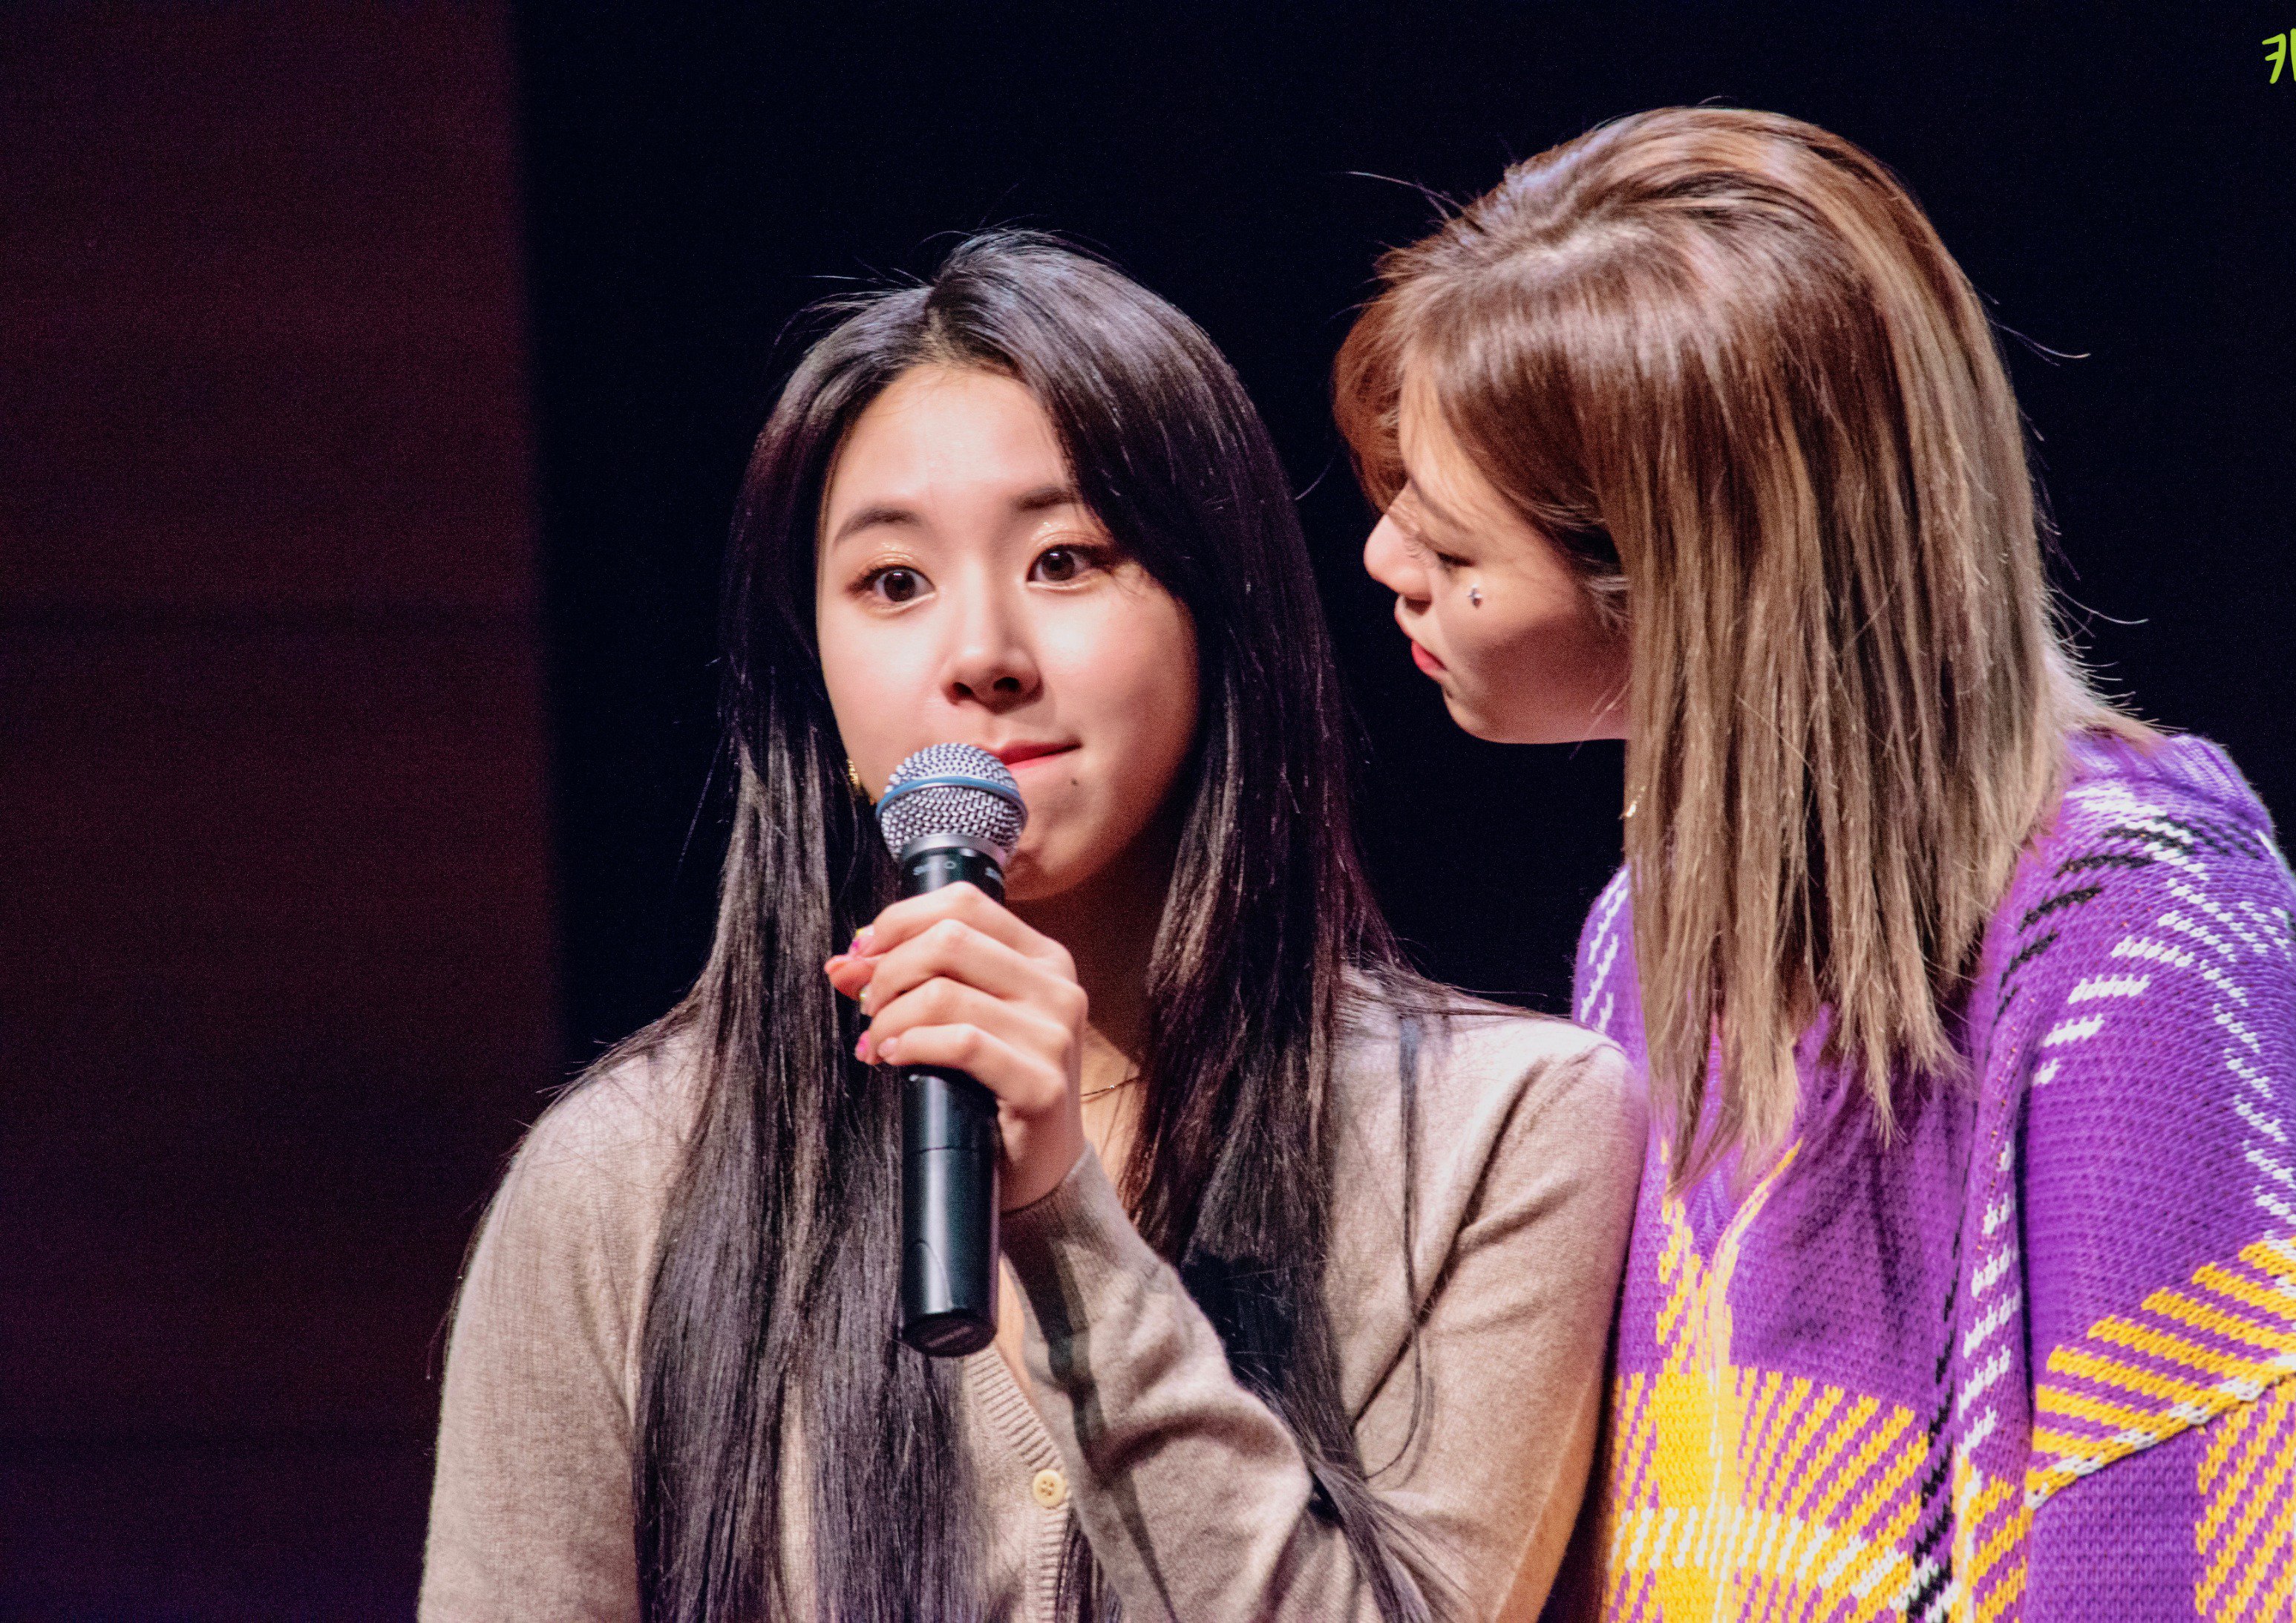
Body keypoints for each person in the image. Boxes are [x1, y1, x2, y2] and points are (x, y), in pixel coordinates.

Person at [421, 232, 1642, 1623]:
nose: (983, 654)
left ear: (1219, 612)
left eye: (1066, 559)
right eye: (894, 583)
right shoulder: (628, 1174)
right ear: (810, 669)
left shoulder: (1502, 1128)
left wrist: (1065, 1223)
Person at [1334, 108, 2296, 1618]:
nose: (1388, 564)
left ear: (1692, 585)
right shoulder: (1650, 919)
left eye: (1455, 548)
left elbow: (2180, 1549)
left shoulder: (2147, 951)